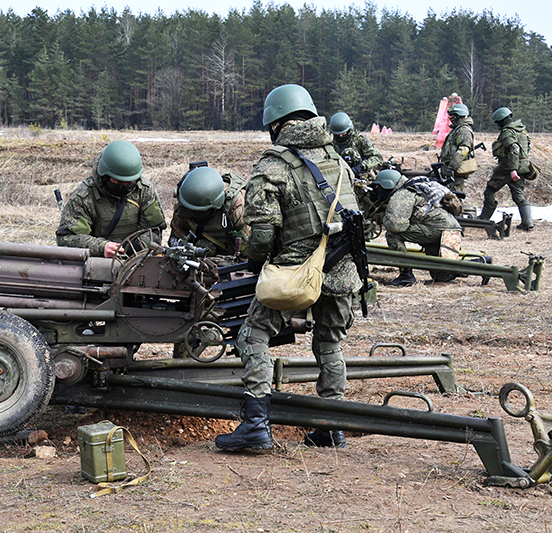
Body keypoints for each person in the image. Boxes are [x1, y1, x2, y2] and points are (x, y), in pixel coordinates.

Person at [214, 84, 362, 452]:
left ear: (274, 124)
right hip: (343, 269)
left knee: (253, 336)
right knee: (329, 342)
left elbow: (263, 233)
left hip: (297, 272)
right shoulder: (338, 160)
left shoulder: (273, 165)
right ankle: (331, 427)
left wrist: (254, 261)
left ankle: (256, 425)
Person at [56, 140, 167, 257]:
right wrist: (100, 247)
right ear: (106, 176)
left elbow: (155, 231)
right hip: (96, 262)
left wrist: (136, 247)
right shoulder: (84, 195)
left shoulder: (144, 190)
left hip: (137, 261)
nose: (124, 186)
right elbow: (66, 238)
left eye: (129, 183)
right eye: (118, 182)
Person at [371, 169, 463, 286]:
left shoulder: (402, 194)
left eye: (378, 187)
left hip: (437, 229)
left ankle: (406, 275)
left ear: (387, 184)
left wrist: (382, 218)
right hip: (450, 229)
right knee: (440, 276)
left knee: (392, 235)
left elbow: (396, 226)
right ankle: (478, 263)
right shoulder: (414, 187)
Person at [168, 164, 250, 265]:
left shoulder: (236, 205)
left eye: (201, 210)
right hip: (197, 260)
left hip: (233, 260)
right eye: (193, 210)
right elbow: (176, 239)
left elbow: (250, 248)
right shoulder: (185, 204)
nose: (196, 213)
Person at [479, 107, 534, 230]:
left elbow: (515, 149)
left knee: (490, 190)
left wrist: (512, 169)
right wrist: (519, 165)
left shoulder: (507, 132)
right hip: (522, 167)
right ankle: (527, 223)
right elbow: (527, 147)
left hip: (507, 168)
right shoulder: (522, 131)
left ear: (501, 120)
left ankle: (484, 218)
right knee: (518, 195)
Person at [329, 111, 384, 180]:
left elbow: (378, 158)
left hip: (360, 176)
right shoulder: (331, 144)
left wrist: (360, 167)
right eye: (338, 134)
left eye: (343, 133)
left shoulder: (360, 140)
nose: (340, 135)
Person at [439, 103, 476, 193]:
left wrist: (452, 168)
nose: (450, 117)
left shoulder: (463, 130)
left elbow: (463, 150)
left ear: (459, 116)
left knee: (455, 197)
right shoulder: (456, 129)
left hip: (456, 170)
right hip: (451, 169)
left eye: (452, 115)